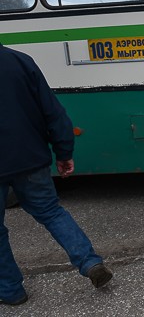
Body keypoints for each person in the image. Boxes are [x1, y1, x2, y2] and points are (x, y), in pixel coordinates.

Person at [0, 44, 113, 306]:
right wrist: (63, 151)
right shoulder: (19, 61)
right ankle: (90, 262)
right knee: (51, 212)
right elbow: (53, 111)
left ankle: (10, 290)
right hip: (30, 158)